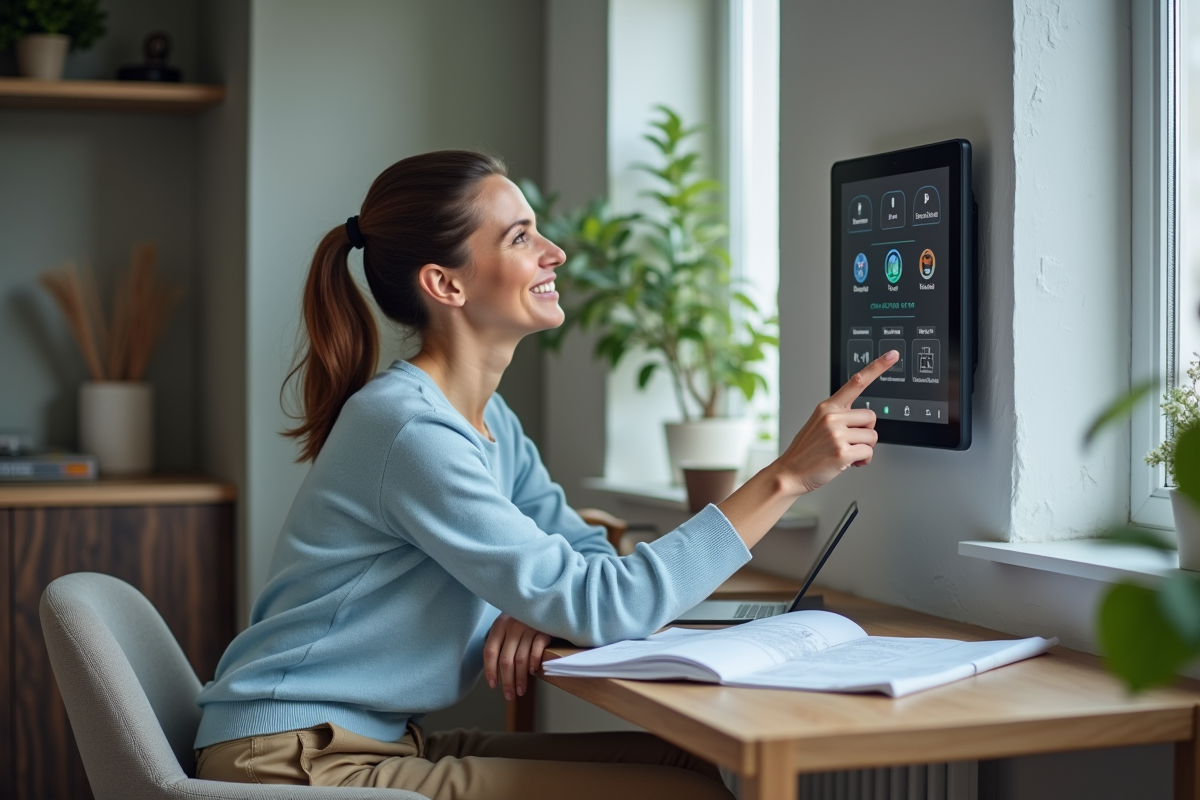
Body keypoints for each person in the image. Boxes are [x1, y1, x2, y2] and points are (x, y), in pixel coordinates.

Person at [194, 150, 896, 800]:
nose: (554, 253)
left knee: (685, 765)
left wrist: (528, 600)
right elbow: (601, 603)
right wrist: (786, 479)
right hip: (294, 757)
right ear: (445, 283)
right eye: (520, 237)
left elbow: (584, 561)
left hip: (365, 736)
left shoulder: (487, 423)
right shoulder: (411, 430)